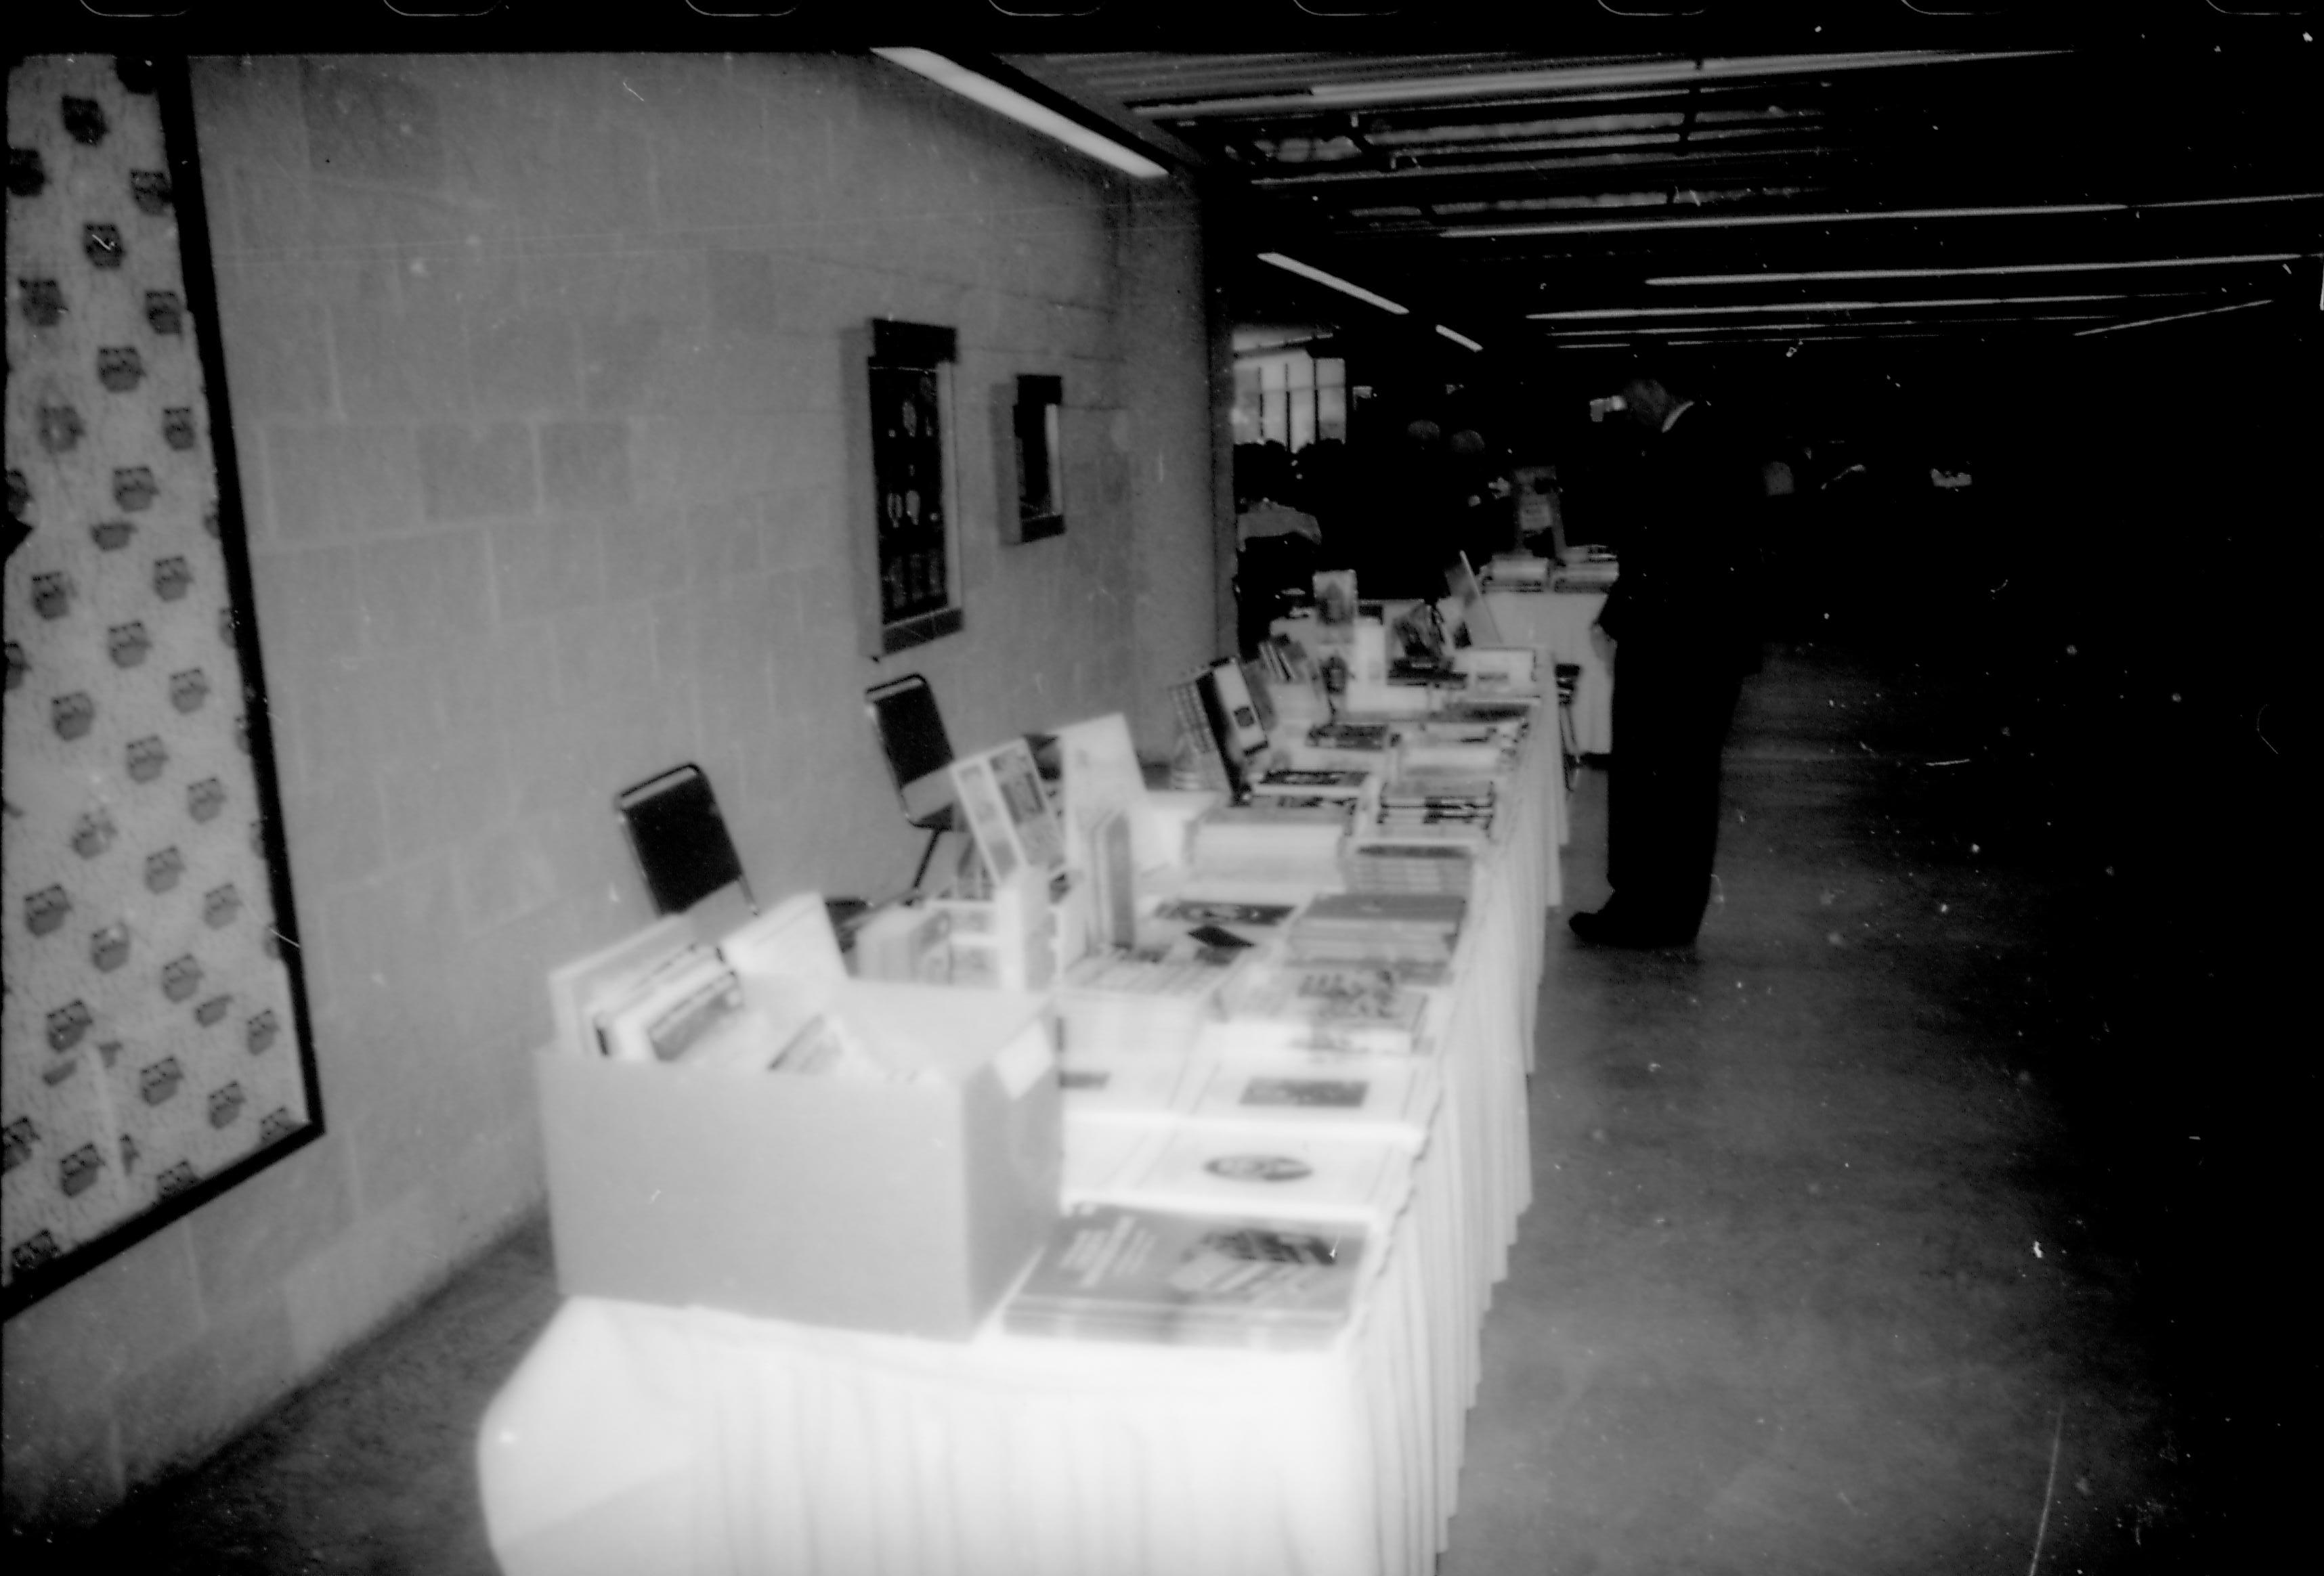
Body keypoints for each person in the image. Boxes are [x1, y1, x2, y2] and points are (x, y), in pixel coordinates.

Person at [1570, 366, 1763, 948]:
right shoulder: (1716, 438)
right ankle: (1670, 910)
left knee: (1655, 779)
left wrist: (1617, 617)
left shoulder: (1684, 448)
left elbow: (1664, 552)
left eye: (1631, 400)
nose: (1629, 411)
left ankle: (1643, 910)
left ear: (1656, 390)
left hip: (1675, 645)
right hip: (1704, 644)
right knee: (1685, 783)